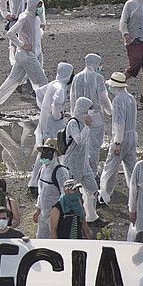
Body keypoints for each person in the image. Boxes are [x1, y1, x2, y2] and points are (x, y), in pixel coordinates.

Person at [0, 0, 49, 117]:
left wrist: (38, 56)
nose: (40, 9)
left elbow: (36, 40)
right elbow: (10, 33)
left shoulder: (35, 19)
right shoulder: (25, 17)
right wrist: (22, 45)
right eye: (38, 7)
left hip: (27, 56)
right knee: (42, 82)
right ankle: (49, 109)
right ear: (32, 6)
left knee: (13, 81)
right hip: (26, 55)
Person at [25, 61, 74, 193]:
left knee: (44, 152)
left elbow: (39, 93)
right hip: (55, 125)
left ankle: (34, 182)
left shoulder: (53, 83)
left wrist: (45, 109)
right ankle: (59, 178)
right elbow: (57, 102)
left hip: (47, 122)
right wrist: (58, 114)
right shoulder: (60, 87)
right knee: (56, 150)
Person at [70, 53, 110, 180]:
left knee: (82, 144)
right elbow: (103, 98)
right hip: (95, 115)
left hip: (80, 115)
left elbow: (72, 97)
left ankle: (82, 169)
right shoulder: (98, 78)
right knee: (94, 145)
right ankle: (92, 171)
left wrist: (74, 115)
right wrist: (110, 110)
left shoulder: (76, 77)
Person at [101, 71, 138, 207]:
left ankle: (104, 195)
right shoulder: (131, 98)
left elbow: (118, 123)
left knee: (110, 168)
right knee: (132, 168)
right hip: (132, 136)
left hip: (121, 138)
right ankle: (137, 193)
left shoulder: (117, 101)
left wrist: (117, 142)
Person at [63, 96, 102, 225]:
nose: (89, 113)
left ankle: (91, 217)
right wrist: (86, 127)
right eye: (87, 110)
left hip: (84, 164)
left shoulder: (85, 124)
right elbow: (79, 140)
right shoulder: (73, 123)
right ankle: (71, 219)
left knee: (92, 189)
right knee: (71, 193)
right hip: (73, 164)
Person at [0, 0, 44, 68]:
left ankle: (31, 63)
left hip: (29, 20)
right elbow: (1, 1)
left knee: (30, 40)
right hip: (16, 20)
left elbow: (40, 5)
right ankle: (15, 64)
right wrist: (6, 14)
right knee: (13, 42)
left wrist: (42, 21)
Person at [33, 141, 70, 239]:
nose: (45, 155)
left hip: (56, 214)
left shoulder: (60, 171)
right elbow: (41, 192)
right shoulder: (42, 169)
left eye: (49, 152)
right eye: (44, 152)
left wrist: (59, 212)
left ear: (54, 154)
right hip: (44, 214)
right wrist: (38, 209)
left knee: (56, 241)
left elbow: (65, 194)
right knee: (40, 241)